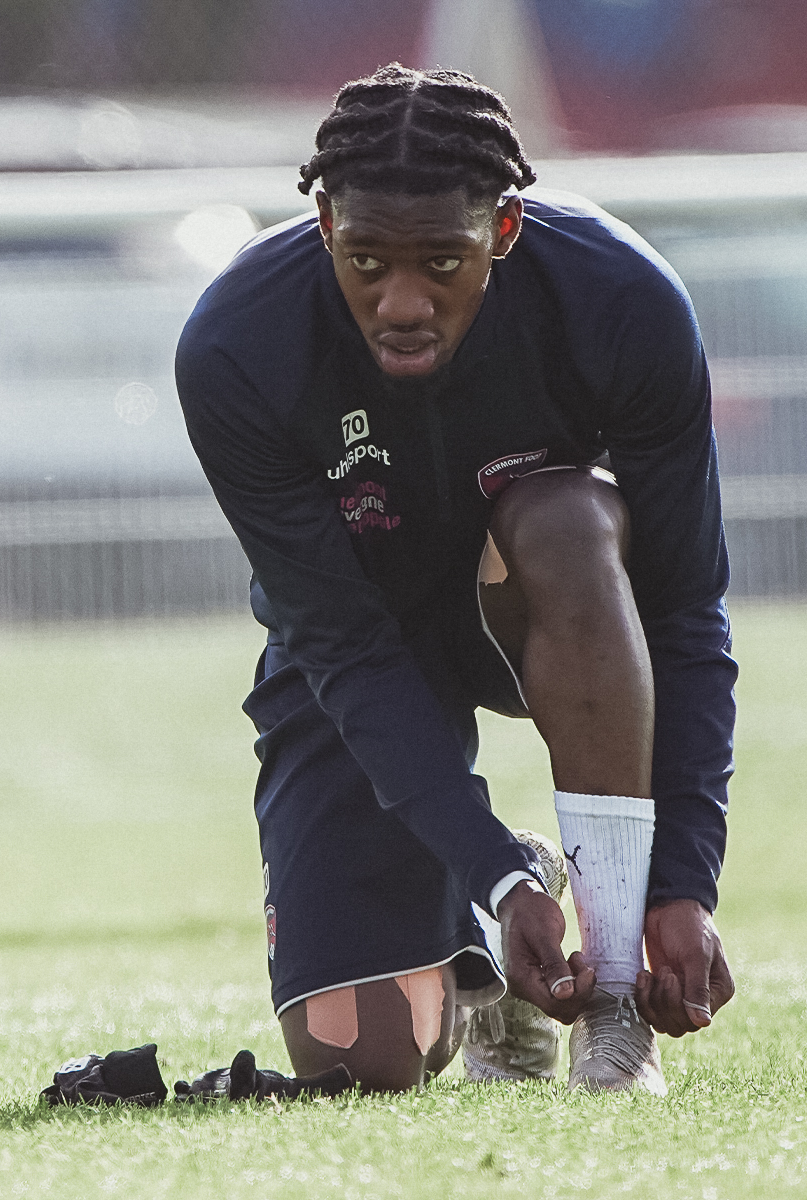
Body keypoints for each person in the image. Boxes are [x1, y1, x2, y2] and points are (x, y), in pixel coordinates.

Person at [175, 63, 738, 1093]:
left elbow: (683, 607)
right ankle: (488, 945)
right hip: (359, 641)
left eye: (443, 261)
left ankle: (610, 999)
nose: (401, 301)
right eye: (365, 261)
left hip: (538, 613)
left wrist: (680, 883)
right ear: (320, 221)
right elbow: (340, 643)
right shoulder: (235, 345)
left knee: (564, 517)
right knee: (362, 1057)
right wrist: (492, 870)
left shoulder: (620, 298)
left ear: (505, 231)